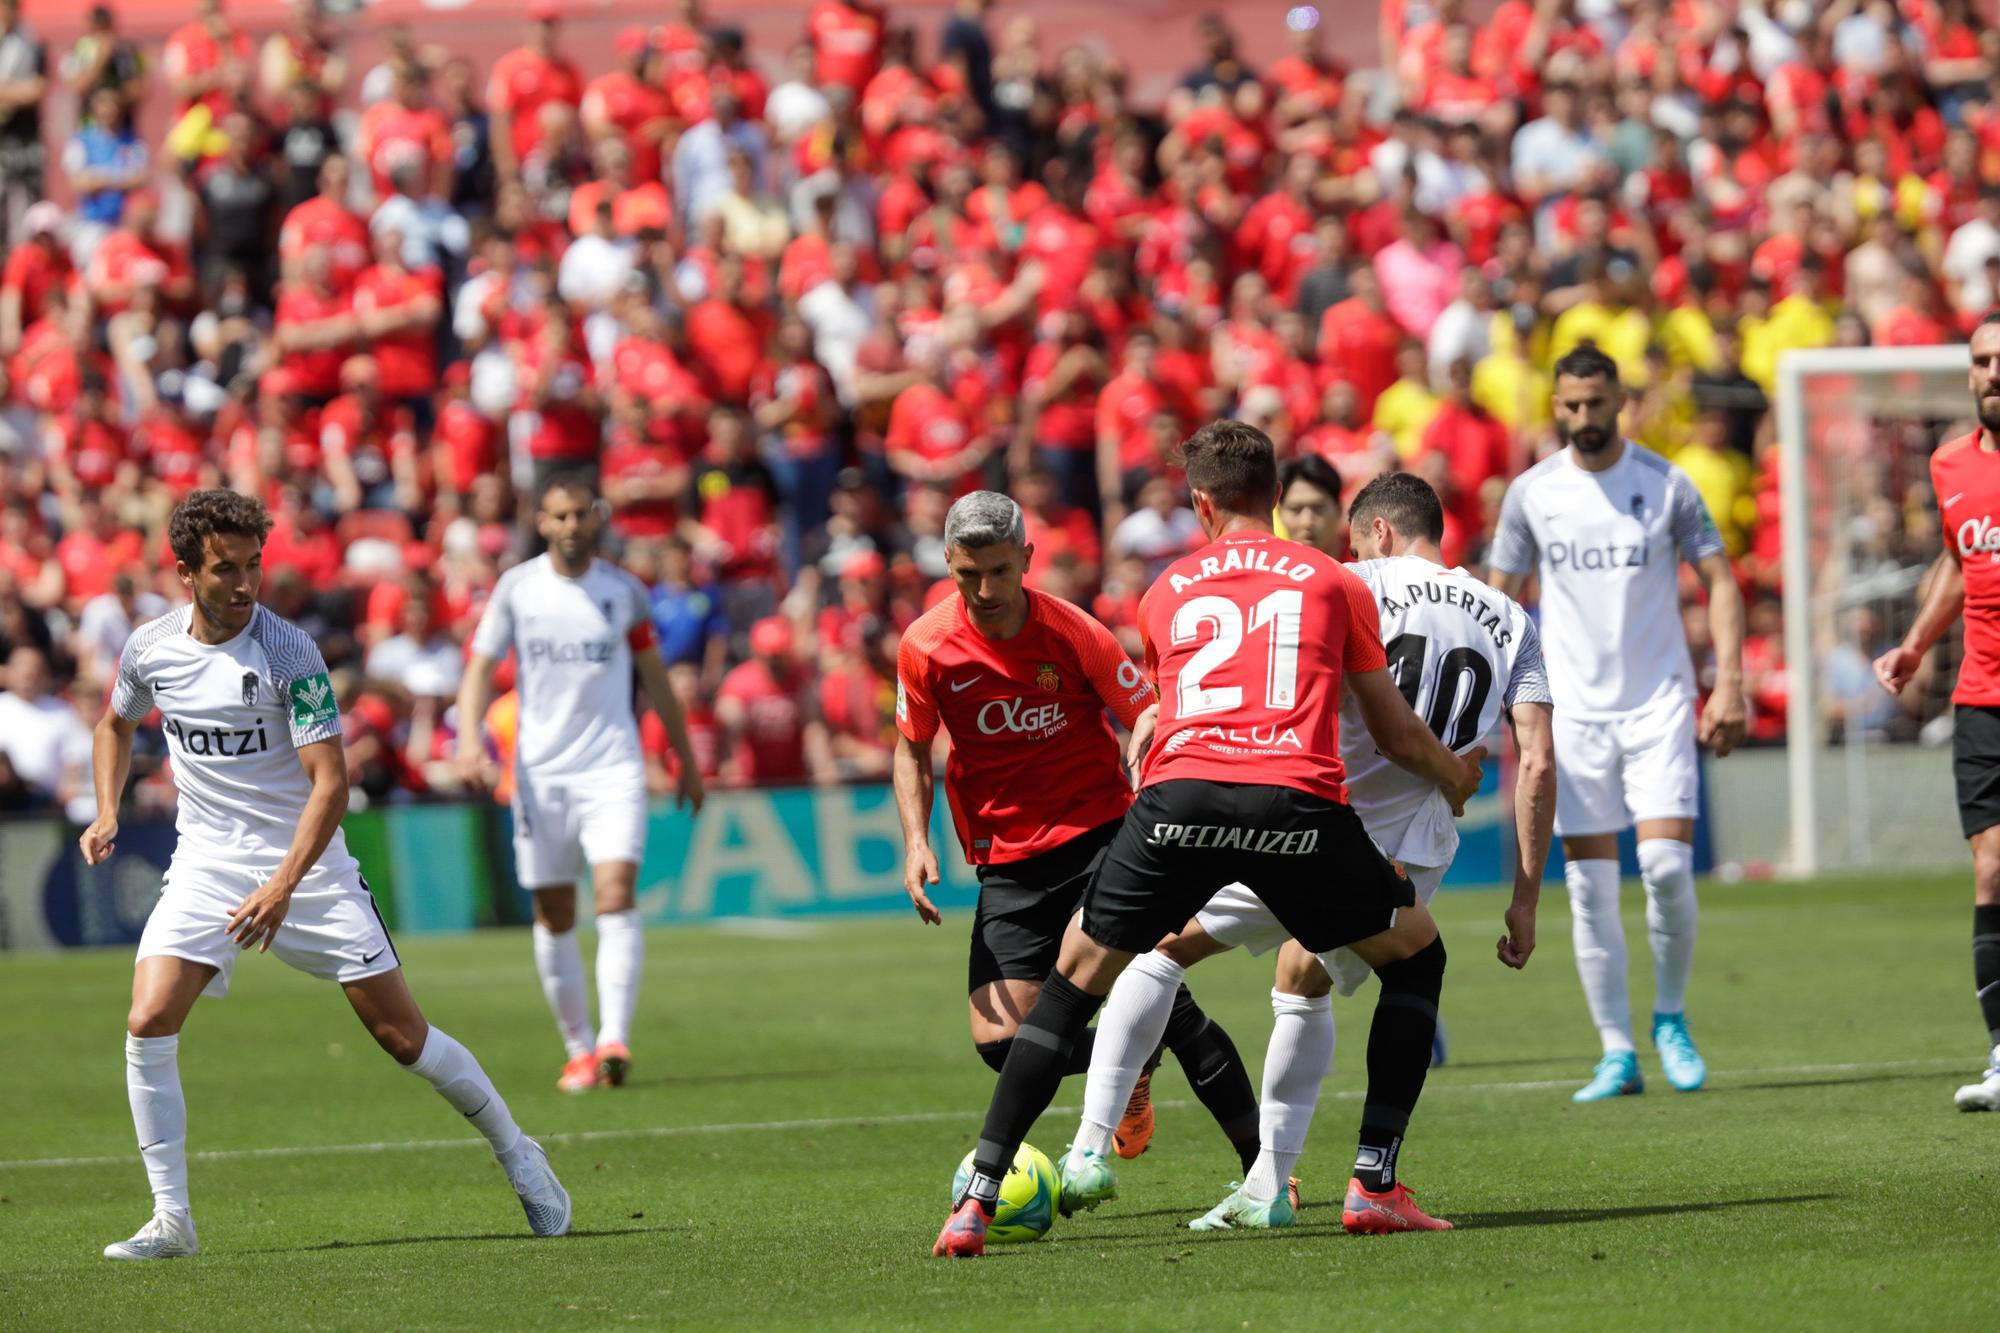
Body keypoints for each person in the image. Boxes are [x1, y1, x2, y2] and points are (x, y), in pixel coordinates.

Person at [932, 423, 1484, 1257]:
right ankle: (1373, 1181)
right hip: (1291, 803)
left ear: (1200, 503)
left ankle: (976, 1197)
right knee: (1415, 954)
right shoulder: (1334, 581)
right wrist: (1453, 772)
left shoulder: (1165, 588)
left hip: (1178, 801)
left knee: (1075, 981)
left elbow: (1164, 711)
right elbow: (1394, 732)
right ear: (1276, 496)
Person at [1057, 472, 1554, 1231]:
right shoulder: (1514, 621)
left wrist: (1166, 710)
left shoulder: (1348, 583)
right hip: (1414, 846)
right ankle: (1314, 1182)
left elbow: (1265, 666)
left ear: (1378, 534)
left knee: (1164, 948)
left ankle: (1102, 1147)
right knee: (1306, 973)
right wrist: (1524, 898)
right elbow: (1540, 759)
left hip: (1311, 824)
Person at [83, 490, 570, 1260]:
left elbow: (331, 785)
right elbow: (113, 724)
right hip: (207, 862)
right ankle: (171, 1218)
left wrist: (281, 884)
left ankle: (518, 1150)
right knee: (147, 1020)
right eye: (224, 570)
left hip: (308, 867)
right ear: (184, 573)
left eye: (253, 566)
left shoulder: (289, 653)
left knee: (401, 1036)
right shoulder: (150, 648)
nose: (244, 584)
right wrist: (107, 808)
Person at [895, 490, 1265, 1173]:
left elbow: (1147, 711)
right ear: (947, 561)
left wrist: (1148, 767)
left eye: (1000, 571)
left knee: (1166, 998)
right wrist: (917, 841)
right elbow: (912, 748)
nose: (985, 589)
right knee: (999, 1040)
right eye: (968, 573)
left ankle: (1266, 1167)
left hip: (1102, 841)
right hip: (1007, 861)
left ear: (1027, 560)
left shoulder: (1073, 631)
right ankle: (1133, 1062)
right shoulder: (925, 646)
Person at [1486, 344, 1747, 1103]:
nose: (1583, 418)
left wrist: (1727, 682)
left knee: (1665, 869)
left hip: (1659, 702)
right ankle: (1616, 1049)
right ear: (1556, 405)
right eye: (1570, 406)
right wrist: (1496, 704)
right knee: (1589, 885)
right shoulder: (1532, 493)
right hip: (1571, 713)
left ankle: (1671, 1017)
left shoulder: (1666, 484)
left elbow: (1721, 579)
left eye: (1595, 404)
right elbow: (1497, 600)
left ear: (1620, 400)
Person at [456, 474, 705, 1094]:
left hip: (612, 766)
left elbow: (655, 681)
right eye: (559, 516)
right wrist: (467, 741)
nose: (571, 526)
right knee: (555, 911)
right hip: (541, 773)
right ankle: (577, 1049)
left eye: (580, 514)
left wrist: (686, 759)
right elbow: (480, 668)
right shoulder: (518, 590)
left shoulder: (624, 592)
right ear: (541, 522)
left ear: (595, 518)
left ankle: (614, 1038)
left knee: (616, 892)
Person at [1875, 312, 2000, 1111]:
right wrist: (1917, 645)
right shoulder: (1951, 462)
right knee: (1992, 867)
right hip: (1982, 697)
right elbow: (1959, 563)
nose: (1995, 372)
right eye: (1983, 361)